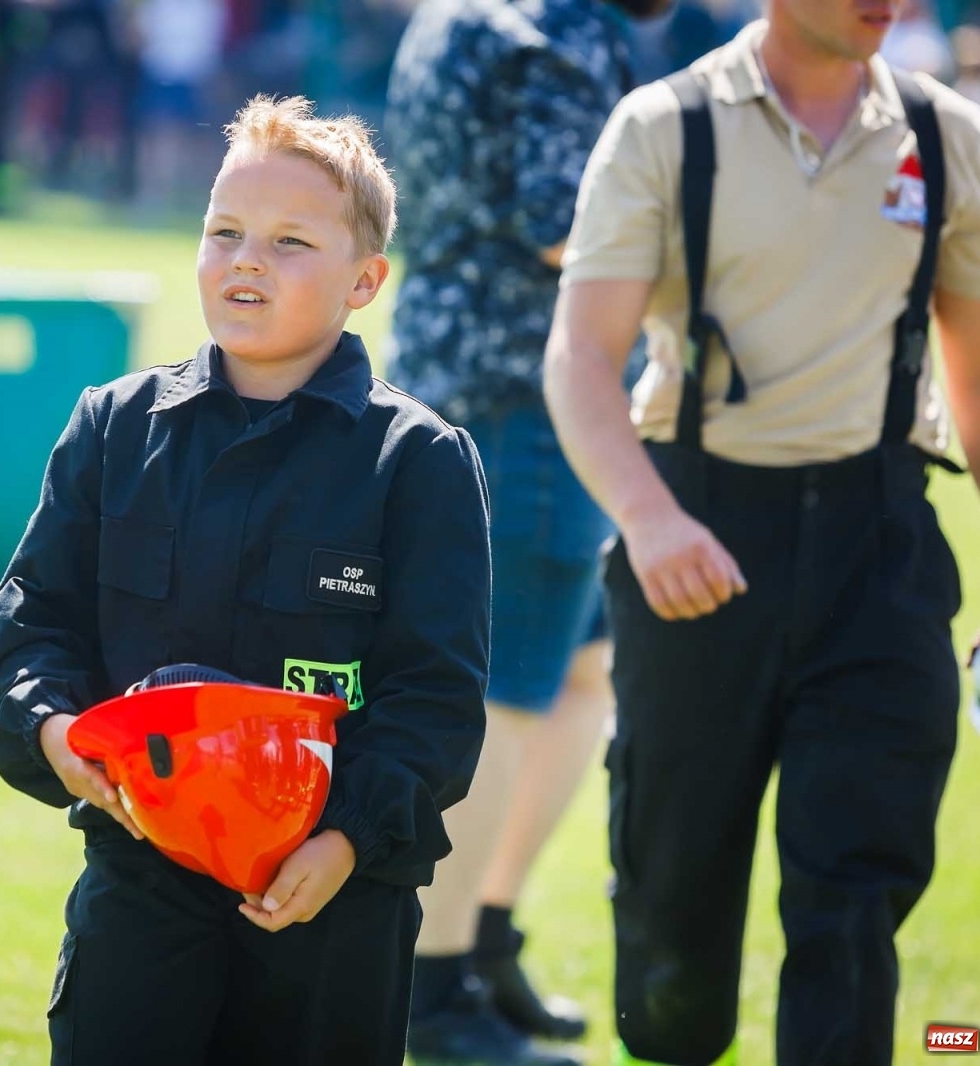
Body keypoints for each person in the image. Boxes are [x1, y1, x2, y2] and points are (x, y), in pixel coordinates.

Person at [544, 2, 980, 1063]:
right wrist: (648, 520)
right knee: (672, 925)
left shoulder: (942, 131)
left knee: (852, 904)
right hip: (696, 541)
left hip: (879, 550)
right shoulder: (662, 125)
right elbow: (580, 357)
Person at [0, 95, 494, 1066]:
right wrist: (54, 729)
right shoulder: (111, 427)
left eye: (291, 240)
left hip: (332, 900)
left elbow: (434, 702)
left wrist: (342, 841)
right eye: (224, 231)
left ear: (365, 280)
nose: (246, 259)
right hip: (139, 879)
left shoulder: (419, 461)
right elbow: (29, 626)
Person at [383, 1, 663, 1062]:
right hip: (530, 401)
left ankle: (484, 936)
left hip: (473, 380)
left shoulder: (463, 15)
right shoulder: (553, 30)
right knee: (500, 694)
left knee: (583, 673)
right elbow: (569, 223)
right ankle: (434, 987)